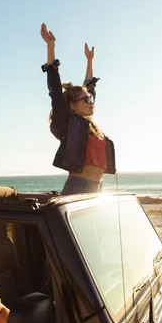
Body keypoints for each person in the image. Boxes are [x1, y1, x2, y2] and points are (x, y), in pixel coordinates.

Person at [40, 23, 116, 195]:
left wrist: (89, 61)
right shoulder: (67, 125)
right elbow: (55, 91)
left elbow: (90, 87)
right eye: (86, 100)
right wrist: (51, 46)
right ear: (72, 105)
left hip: (98, 188)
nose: (91, 102)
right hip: (78, 187)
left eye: (91, 99)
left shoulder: (91, 127)